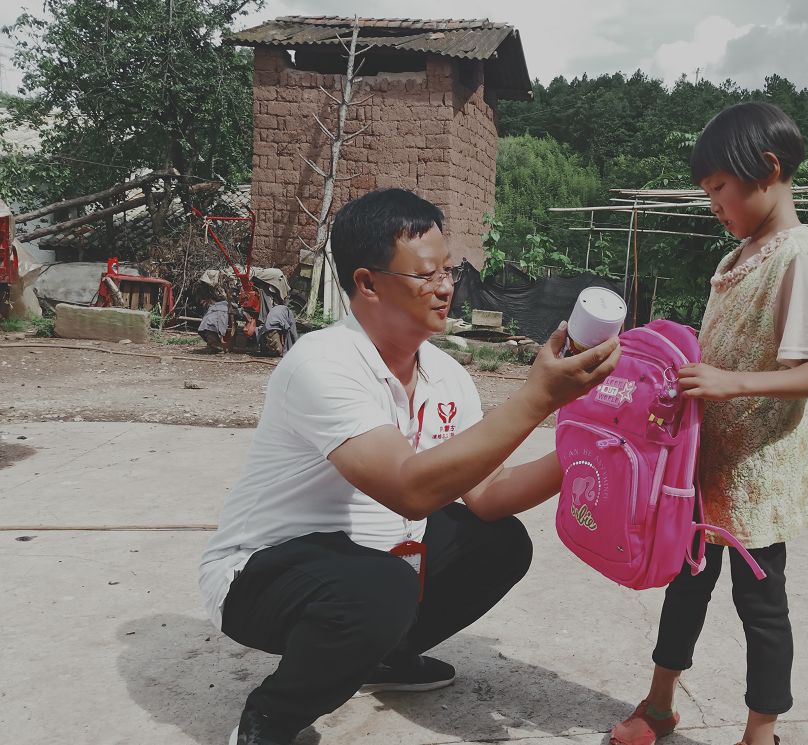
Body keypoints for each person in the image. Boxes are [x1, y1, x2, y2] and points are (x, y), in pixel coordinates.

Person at [199, 188, 620, 745]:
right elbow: (408, 491)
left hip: (373, 566)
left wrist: (593, 451)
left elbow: (488, 494)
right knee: (382, 588)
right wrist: (538, 398)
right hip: (263, 575)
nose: (446, 287)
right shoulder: (322, 363)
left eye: (449, 270)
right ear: (367, 282)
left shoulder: (447, 375)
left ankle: (384, 657)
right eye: (427, 275)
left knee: (498, 542)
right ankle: (271, 717)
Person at [609, 102, 808, 745]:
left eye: (718, 189)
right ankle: (659, 705)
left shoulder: (797, 258)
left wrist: (729, 383)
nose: (712, 203)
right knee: (686, 586)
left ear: (767, 170)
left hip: (757, 474)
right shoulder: (738, 256)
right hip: (702, 466)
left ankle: (760, 732)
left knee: (761, 606)